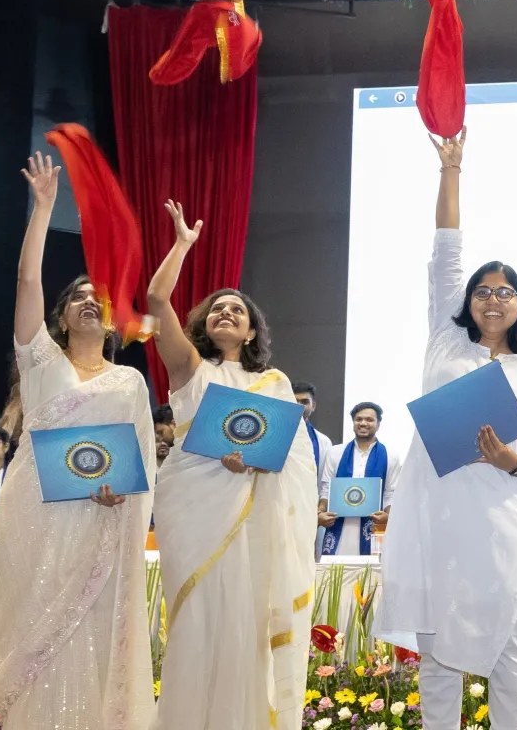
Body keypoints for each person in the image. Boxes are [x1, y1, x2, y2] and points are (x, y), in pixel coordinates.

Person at [380, 130, 517, 730]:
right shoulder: (446, 337)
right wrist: (451, 173)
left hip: (499, 516)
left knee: (507, 651)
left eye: (505, 291)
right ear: (468, 301)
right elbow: (446, 253)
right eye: (484, 291)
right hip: (435, 512)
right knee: (438, 655)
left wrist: (514, 463)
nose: (493, 299)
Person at [0, 151, 155, 729]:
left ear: (112, 322)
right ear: (62, 319)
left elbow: (138, 465)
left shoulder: (129, 380)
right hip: (34, 514)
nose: (89, 300)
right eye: (79, 295)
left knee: (91, 627)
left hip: (101, 519)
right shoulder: (40, 363)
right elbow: (27, 279)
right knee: (33, 621)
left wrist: (121, 496)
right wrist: (44, 209)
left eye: (100, 299)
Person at [148, 198, 319, 730]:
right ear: (203, 322)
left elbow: (293, 461)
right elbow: (155, 298)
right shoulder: (189, 368)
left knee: (245, 629)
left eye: (237, 311)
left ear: (251, 333)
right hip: (196, 518)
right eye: (217, 308)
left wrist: (258, 466)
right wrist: (182, 244)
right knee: (199, 627)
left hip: (254, 527)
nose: (226, 312)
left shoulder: (274, 385)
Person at [318, 401, 400, 557]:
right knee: (336, 577)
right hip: (339, 527)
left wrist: (388, 517)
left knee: (371, 578)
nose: (363, 423)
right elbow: (327, 489)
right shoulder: (335, 452)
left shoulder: (391, 455)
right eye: (358, 419)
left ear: (378, 424)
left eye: (369, 420)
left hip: (373, 528)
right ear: (353, 423)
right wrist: (320, 513)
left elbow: (390, 493)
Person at [293, 382, 335, 474]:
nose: (299, 406)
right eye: (295, 401)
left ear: (313, 406)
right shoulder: (274, 437)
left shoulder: (324, 442)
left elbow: (325, 479)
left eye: (305, 402)